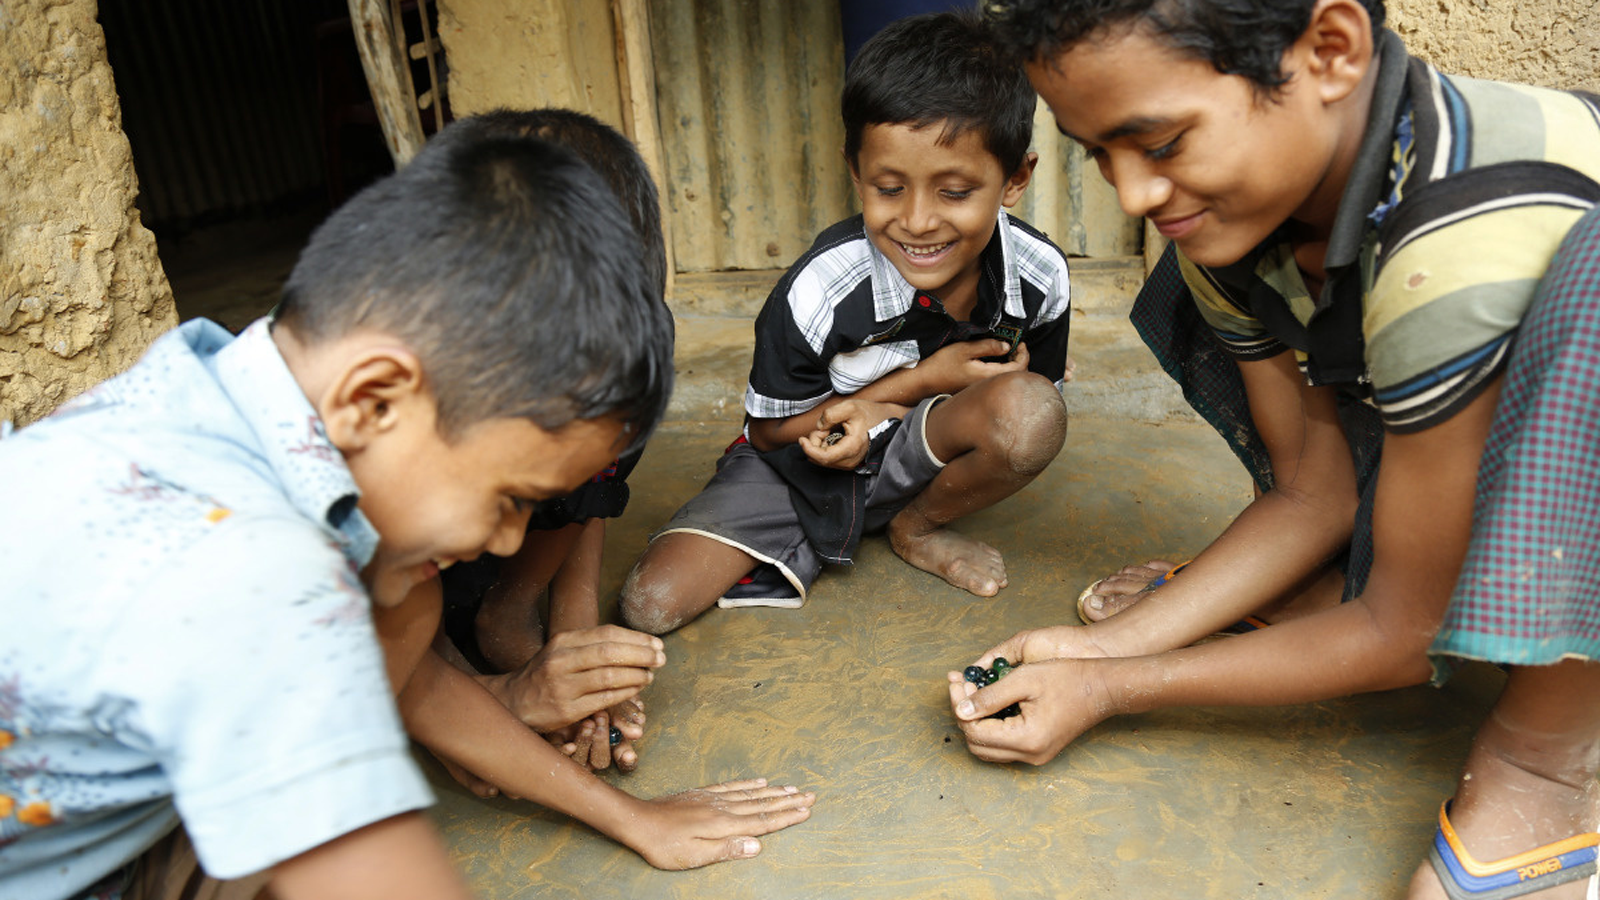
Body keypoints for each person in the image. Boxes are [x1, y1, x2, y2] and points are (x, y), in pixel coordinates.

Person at [0, 120, 803, 900]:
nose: (510, 539)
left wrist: (634, 821)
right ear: (375, 397)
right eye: (509, 499)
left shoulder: (217, 392)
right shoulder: (246, 576)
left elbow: (402, 673)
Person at [950, 1, 1600, 897]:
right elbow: (1311, 493)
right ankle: (1378, 566)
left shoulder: (1456, 234)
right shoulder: (1235, 228)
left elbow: (1401, 639)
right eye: (1101, 152)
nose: (1133, 194)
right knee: (1232, 274)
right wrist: (1102, 654)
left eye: (1164, 142)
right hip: (1435, 331)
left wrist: (1120, 689)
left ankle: (1551, 765)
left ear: (1329, 52)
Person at [619, 9, 1072, 635]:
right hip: (799, 465)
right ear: (855, 171)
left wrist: (928, 402)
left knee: (1032, 413)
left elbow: (1033, 392)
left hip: (924, 453)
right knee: (650, 605)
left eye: (954, 192)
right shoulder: (817, 292)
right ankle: (838, 526)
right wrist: (911, 384)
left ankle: (917, 525)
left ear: (1015, 177)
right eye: (889, 188)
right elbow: (772, 434)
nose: (917, 221)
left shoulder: (1038, 276)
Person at [427, 109, 669, 776]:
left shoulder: (636, 348)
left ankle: (502, 611)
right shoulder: (380, 423)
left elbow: (598, 473)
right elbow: (375, 626)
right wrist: (481, 715)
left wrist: (575, 642)